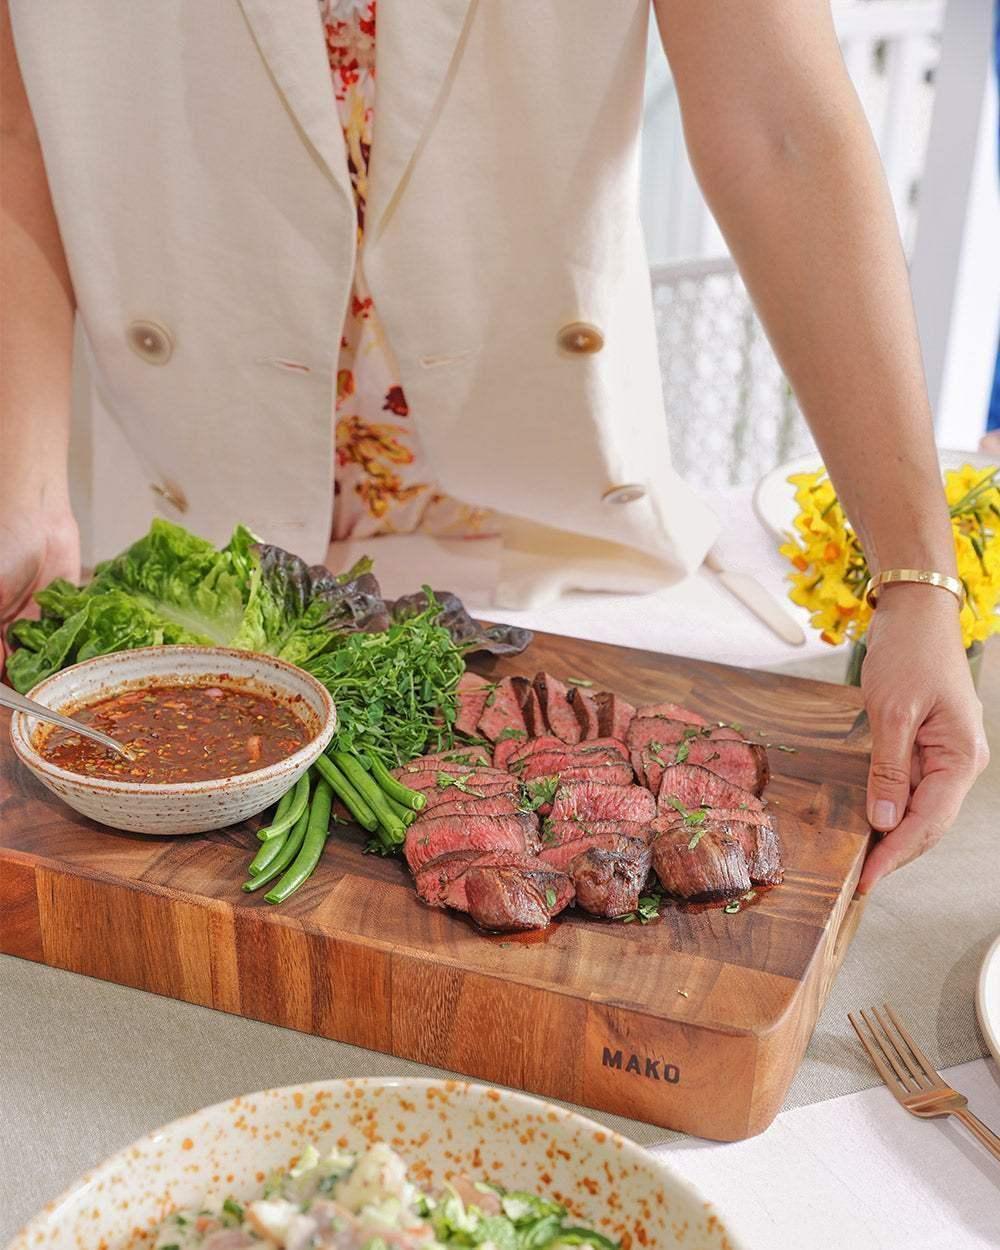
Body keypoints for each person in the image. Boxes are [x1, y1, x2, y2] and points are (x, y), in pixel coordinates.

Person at [1, 1, 988, 892]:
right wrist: (25, 494)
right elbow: (15, 129)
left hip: (554, 533)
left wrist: (913, 582)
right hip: (180, 531)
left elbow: (782, 131)